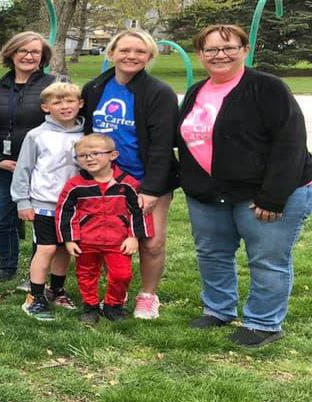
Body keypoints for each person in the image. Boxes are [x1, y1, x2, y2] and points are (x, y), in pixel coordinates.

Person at [177, 24, 312, 348]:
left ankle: (264, 323)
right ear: (201, 54)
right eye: (211, 49)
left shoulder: (268, 88)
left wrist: (273, 197)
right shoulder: (197, 90)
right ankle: (218, 309)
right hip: (210, 195)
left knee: (267, 258)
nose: (220, 55)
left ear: (245, 50)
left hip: (264, 194)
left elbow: (289, 143)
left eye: (229, 48)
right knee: (212, 253)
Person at [82, 28, 178, 320]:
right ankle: (109, 294)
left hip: (146, 179)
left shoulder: (159, 93)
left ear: (149, 57)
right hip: (106, 181)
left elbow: (163, 146)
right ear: (111, 53)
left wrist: (151, 189)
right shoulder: (95, 88)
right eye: (124, 50)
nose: (131, 56)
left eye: (140, 51)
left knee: (152, 240)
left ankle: (148, 295)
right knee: (106, 239)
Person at [0, 31, 57, 288]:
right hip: (3, 165)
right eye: (23, 50)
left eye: (35, 52)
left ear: (43, 57)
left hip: (41, 167)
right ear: (11, 54)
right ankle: (6, 267)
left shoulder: (53, 86)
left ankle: (36, 272)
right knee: (2, 216)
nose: (29, 56)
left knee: (40, 220)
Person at [56, 134, 153, 324]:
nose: (89, 158)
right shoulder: (75, 185)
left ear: (113, 155)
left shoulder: (127, 183)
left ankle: (112, 305)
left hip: (119, 241)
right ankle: (90, 306)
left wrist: (133, 237)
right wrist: (69, 239)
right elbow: (64, 212)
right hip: (86, 240)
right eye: (83, 155)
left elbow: (138, 211)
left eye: (95, 153)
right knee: (86, 274)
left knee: (121, 274)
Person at [9, 82, 84, 321]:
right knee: (47, 248)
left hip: (74, 206)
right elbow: (23, 170)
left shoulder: (86, 135)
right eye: (57, 102)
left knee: (64, 249)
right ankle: (35, 295)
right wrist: (22, 200)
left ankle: (57, 290)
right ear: (45, 107)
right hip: (44, 203)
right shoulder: (37, 135)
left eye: (70, 101)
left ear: (80, 104)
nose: (64, 106)